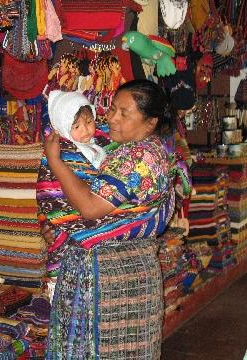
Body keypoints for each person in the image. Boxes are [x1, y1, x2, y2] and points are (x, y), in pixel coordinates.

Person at [43, 79, 177, 359]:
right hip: (134, 272)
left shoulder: (137, 157)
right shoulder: (143, 148)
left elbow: (90, 208)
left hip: (106, 278)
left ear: (150, 122)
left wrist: (54, 161)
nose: (111, 118)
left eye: (123, 113)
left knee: (94, 349)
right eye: (112, 108)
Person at [37, 90, 112, 276]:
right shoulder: (61, 151)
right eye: (76, 126)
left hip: (98, 213)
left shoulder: (103, 144)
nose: (86, 130)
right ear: (63, 127)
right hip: (71, 219)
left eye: (89, 122)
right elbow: (49, 190)